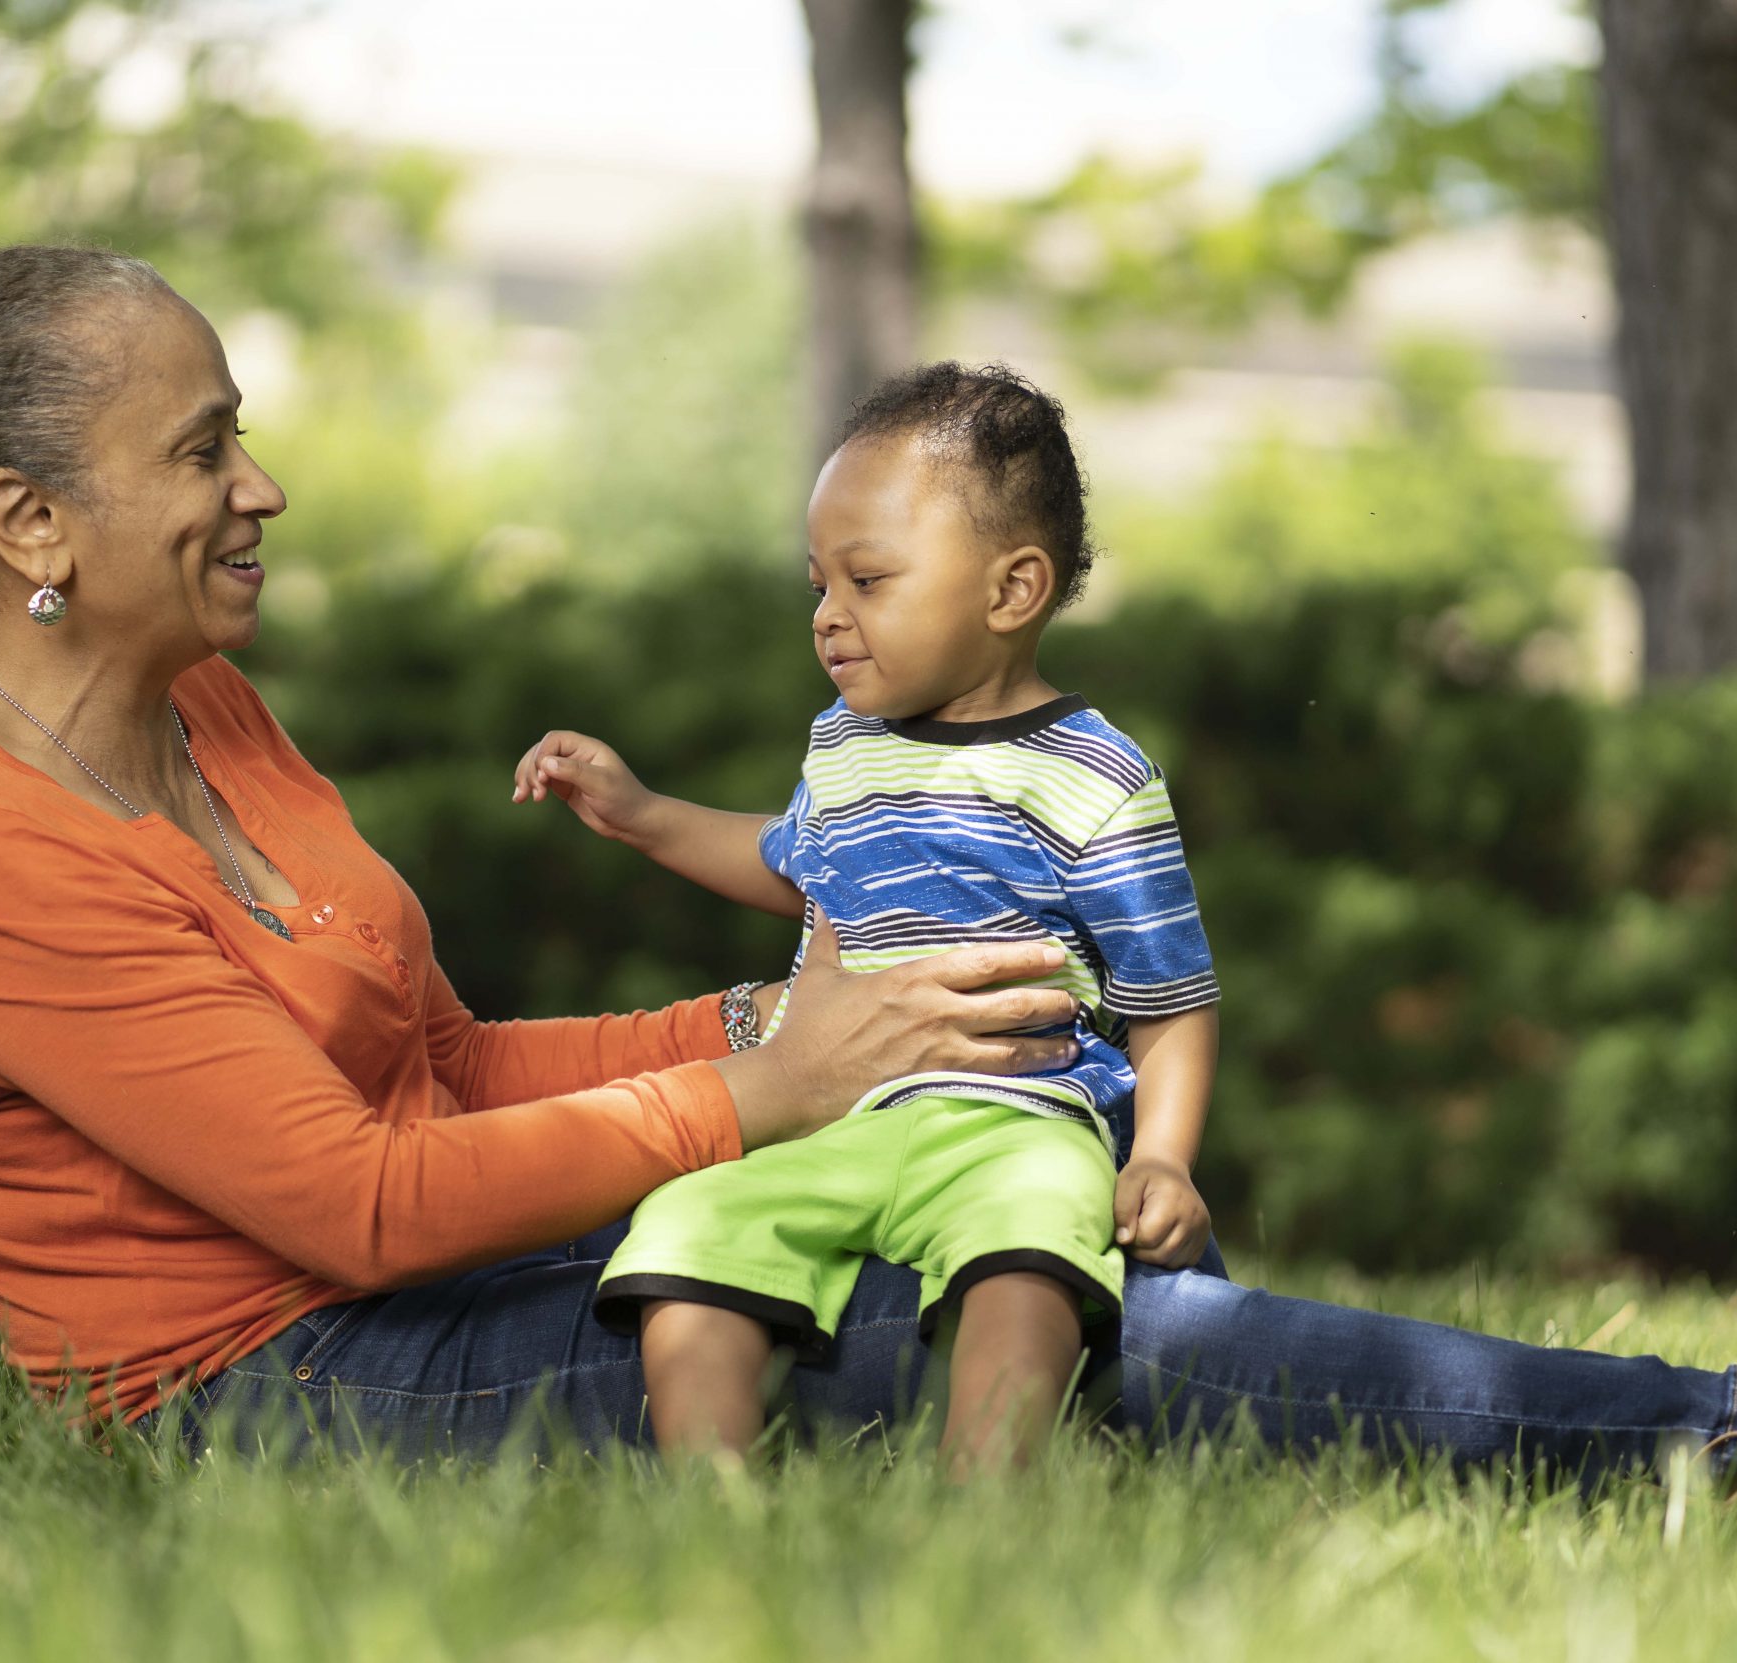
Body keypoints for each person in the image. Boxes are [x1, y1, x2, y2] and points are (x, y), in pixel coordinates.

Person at [0, 245, 1737, 1505]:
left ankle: (1619, 1421)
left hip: (429, 1248)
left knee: (1010, 1219)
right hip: (276, 1382)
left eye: (240, 431)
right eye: (205, 447)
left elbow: (436, 1061)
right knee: (994, 1331)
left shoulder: (188, 700)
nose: (256, 484)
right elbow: (363, 1204)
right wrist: (766, 1091)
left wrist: (764, 1037)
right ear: (24, 527)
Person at [511, 364, 1219, 1472]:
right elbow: (797, 868)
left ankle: (985, 1495)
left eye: (868, 581)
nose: (829, 618)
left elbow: (1170, 998)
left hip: (1013, 1117)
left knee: (1028, 1255)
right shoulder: (844, 743)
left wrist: (1165, 1158)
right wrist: (643, 814)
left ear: (1011, 589)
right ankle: (713, 1500)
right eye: (817, 587)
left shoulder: (1095, 775)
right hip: (830, 1111)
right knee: (694, 1222)